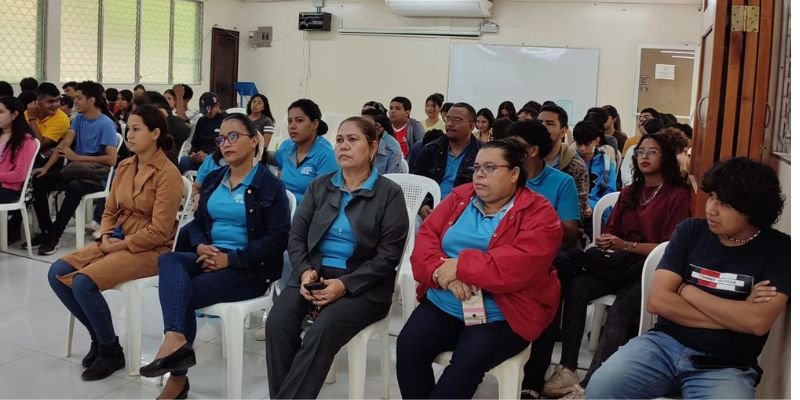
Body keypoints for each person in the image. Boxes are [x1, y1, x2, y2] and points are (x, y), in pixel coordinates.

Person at [586, 157, 789, 399]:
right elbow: (658, 302)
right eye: (712, 196)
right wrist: (738, 314)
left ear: (753, 209)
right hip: (662, 346)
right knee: (600, 388)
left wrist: (685, 290)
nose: (711, 209)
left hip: (726, 364)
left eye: (724, 204)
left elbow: (757, 322)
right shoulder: (691, 231)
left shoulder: (779, 249)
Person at [396, 138, 562, 399]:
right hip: (445, 301)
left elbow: (521, 264)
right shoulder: (460, 197)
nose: (480, 174)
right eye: (476, 168)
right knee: (408, 347)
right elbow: (425, 243)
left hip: (503, 312)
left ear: (514, 174)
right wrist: (446, 276)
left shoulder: (539, 213)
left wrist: (462, 267)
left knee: (466, 365)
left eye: (490, 168)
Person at [140, 114, 290, 399]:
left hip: (249, 268)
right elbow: (197, 224)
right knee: (169, 260)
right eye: (222, 138)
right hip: (210, 255)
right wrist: (200, 247)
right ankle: (176, 337)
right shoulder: (212, 180)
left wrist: (230, 260)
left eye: (234, 136)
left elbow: (278, 239)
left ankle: (177, 378)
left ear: (254, 141)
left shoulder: (270, 186)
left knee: (187, 292)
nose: (226, 144)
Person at [265, 116, 408, 399]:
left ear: (372, 146)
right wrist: (305, 271)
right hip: (314, 274)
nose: (343, 146)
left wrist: (344, 285)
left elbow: (388, 256)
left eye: (353, 140)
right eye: (340, 140)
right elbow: (296, 236)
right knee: (278, 323)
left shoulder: (389, 193)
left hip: (364, 285)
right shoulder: (321, 186)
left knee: (322, 329)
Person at [542, 132, 691, 399]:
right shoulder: (630, 191)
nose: (644, 156)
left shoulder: (677, 195)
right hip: (619, 264)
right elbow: (613, 231)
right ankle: (568, 367)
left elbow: (670, 247)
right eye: (641, 151)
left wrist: (626, 245)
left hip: (652, 270)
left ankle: (592, 384)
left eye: (652, 152)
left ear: (667, 156)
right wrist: (608, 241)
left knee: (620, 311)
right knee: (576, 288)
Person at [46, 104, 182, 381]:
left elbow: (160, 231)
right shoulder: (125, 165)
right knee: (57, 272)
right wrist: (106, 235)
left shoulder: (167, 173)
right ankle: (101, 337)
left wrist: (118, 245)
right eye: (128, 129)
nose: (129, 135)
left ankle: (109, 350)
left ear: (155, 133)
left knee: (84, 282)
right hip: (117, 237)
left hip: (151, 248)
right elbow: (109, 210)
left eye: (136, 130)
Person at [29, 81, 120, 255]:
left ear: (92, 100)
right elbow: (64, 145)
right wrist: (46, 168)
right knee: (39, 181)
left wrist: (78, 157)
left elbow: (111, 159)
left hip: (96, 175)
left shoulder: (106, 124)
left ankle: (54, 236)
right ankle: (47, 231)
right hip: (76, 170)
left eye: (79, 98)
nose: (74, 101)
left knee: (75, 187)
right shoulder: (78, 119)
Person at [511, 120, 581, 247]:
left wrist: (540, 219)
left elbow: (570, 235)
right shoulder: (505, 178)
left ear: (533, 151)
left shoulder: (563, 182)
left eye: (515, 145)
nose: (508, 150)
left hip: (545, 249)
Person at [411, 102, 481, 215]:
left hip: (465, 211)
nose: (450, 124)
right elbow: (415, 183)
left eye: (457, 120)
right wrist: (422, 205)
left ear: (472, 126)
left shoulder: (482, 154)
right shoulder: (430, 149)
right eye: (447, 119)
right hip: (430, 207)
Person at [270, 99, 339, 204]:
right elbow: (271, 157)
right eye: (290, 121)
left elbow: (325, 201)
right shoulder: (288, 147)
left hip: (308, 217)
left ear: (315, 124)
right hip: (281, 211)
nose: (292, 126)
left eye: (299, 120)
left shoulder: (326, 155)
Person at [538, 104, 590, 219]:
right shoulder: (527, 160)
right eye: (539, 122)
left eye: (549, 123)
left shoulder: (575, 165)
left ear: (563, 131)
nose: (542, 127)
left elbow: (578, 210)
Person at [0, 96, 38, 245]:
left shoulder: (25, 141)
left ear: (14, 114)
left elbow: (19, 175)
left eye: (1, 112)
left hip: (10, 189)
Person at [573, 121, 617, 231]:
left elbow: (609, 193)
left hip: (597, 210)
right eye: (579, 144)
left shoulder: (606, 163)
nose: (582, 148)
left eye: (587, 144)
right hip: (572, 207)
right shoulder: (570, 161)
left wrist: (593, 206)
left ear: (596, 141)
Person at [178, 92, 226, 173]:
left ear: (217, 105)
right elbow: (195, 142)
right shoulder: (202, 120)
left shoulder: (226, 120)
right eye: (205, 111)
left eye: (210, 110)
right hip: (199, 157)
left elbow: (225, 145)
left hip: (217, 158)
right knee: (180, 162)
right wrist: (193, 153)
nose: (208, 113)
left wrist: (209, 156)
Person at [24, 82, 71, 154]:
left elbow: (39, 145)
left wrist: (32, 119)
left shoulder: (62, 119)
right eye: (50, 101)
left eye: (58, 100)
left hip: (44, 160)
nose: (56, 105)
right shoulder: (27, 113)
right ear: (37, 101)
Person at [620, 117, 664, 187]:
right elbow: (625, 170)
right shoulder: (633, 149)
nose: (642, 138)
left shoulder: (664, 151)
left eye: (644, 135)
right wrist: (633, 185)